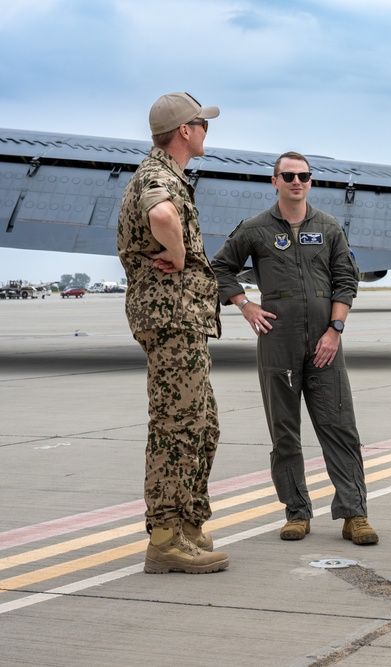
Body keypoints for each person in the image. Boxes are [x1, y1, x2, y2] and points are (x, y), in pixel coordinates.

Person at [210, 152, 378, 546]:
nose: (296, 181)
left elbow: (345, 280)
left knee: (340, 429)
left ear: (311, 181)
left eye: (303, 175)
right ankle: (297, 512)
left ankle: (354, 514)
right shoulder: (255, 229)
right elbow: (219, 268)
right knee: (285, 433)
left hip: (325, 342)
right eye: (288, 175)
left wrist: (335, 330)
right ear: (275, 181)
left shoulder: (329, 227)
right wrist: (246, 305)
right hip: (278, 342)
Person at [117, 92, 229, 574]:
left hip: (182, 319)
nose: (206, 131)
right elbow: (161, 215)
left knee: (202, 426)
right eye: (202, 124)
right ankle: (165, 538)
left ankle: (188, 523)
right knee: (177, 428)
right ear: (185, 130)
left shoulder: (167, 174)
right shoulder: (158, 176)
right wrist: (179, 253)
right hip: (171, 318)